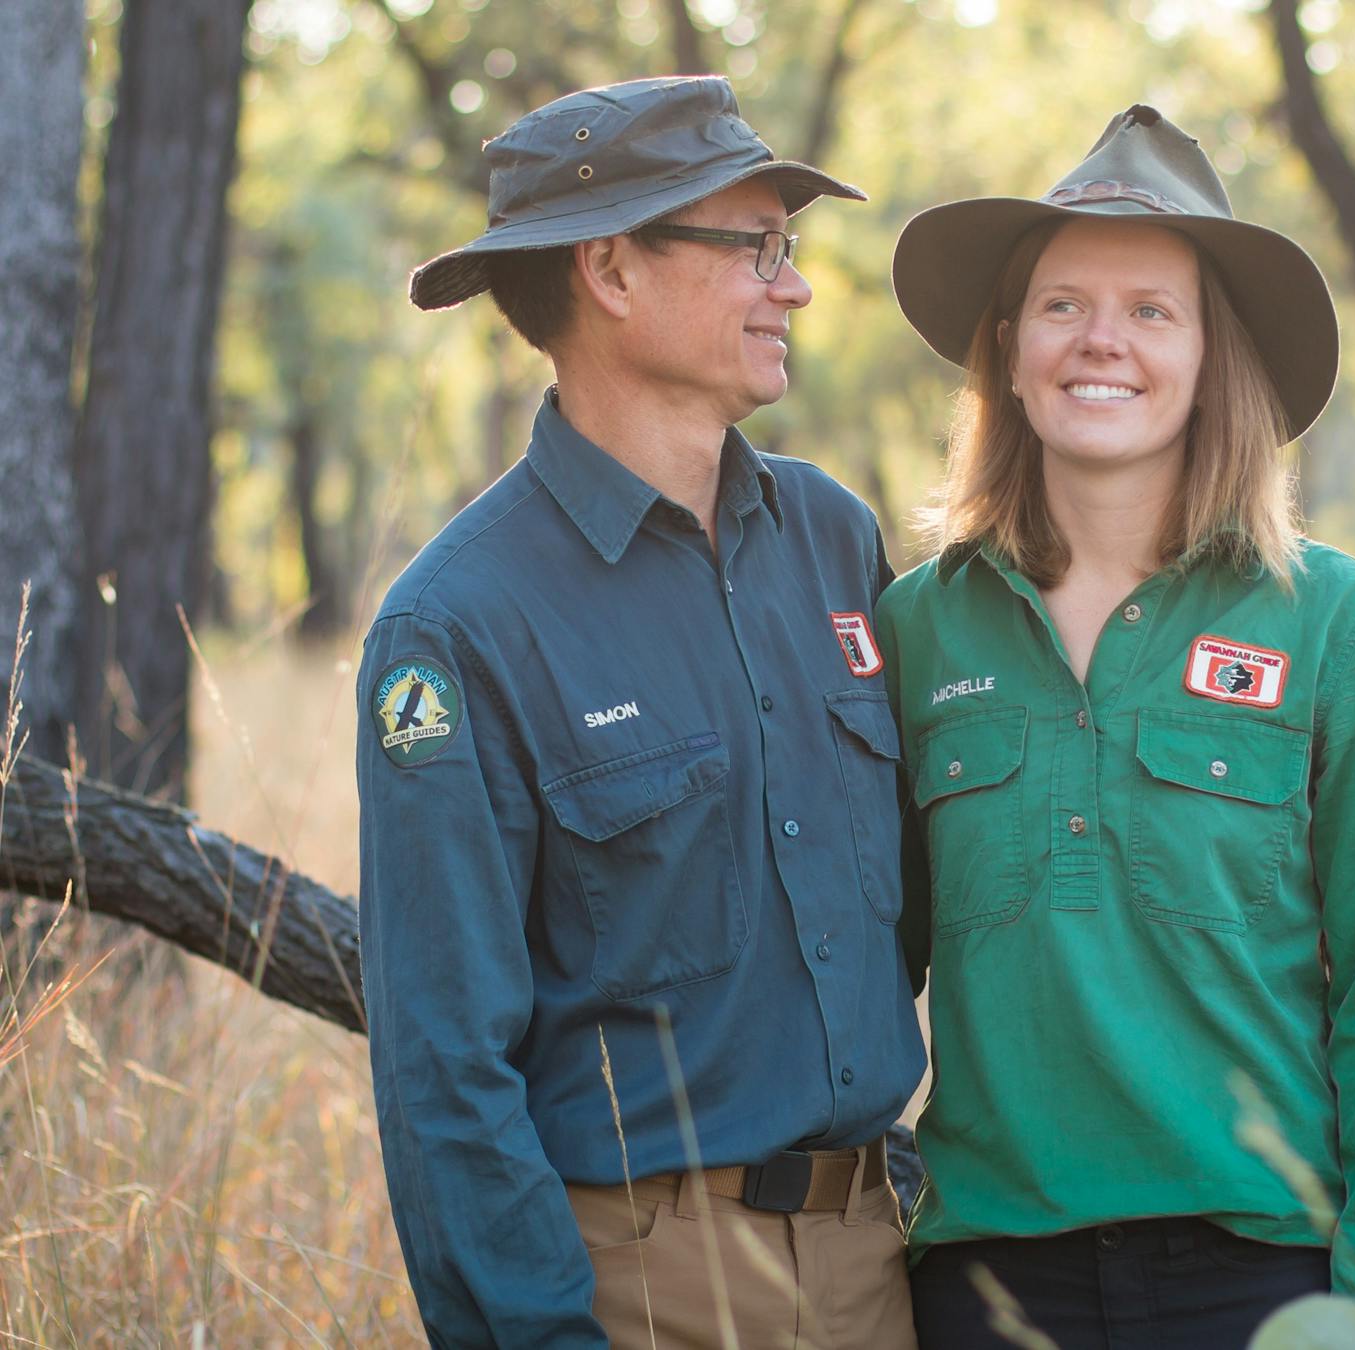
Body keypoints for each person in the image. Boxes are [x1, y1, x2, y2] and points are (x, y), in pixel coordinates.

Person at [876, 105, 1355, 1347]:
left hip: (1264, 1280)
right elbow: (863, 968)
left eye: (1152, 310)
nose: (1104, 342)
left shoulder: (1333, 620)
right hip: (986, 1282)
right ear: (1010, 345)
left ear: (1211, 356)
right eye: (1062, 305)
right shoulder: (920, 628)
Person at [358, 75, 925, 1348]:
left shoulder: (834, 539)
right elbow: (445, 1068)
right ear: (612, 272)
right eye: (757, 248)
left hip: (884, 1266)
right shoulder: (456, 625)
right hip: (640, 1295)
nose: (797, 286)